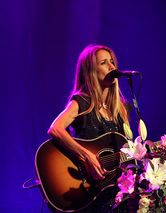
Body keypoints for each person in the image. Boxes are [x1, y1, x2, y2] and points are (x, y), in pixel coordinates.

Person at [47, 44, 134, 212]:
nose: (112, 67)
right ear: (90, 72)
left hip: (114, 195)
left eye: (112, 62)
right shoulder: (82, 102)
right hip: (86, 189)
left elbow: (127, 152)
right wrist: (87, 155)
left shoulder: (121, 109)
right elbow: (55, 129)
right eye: (103, 63)